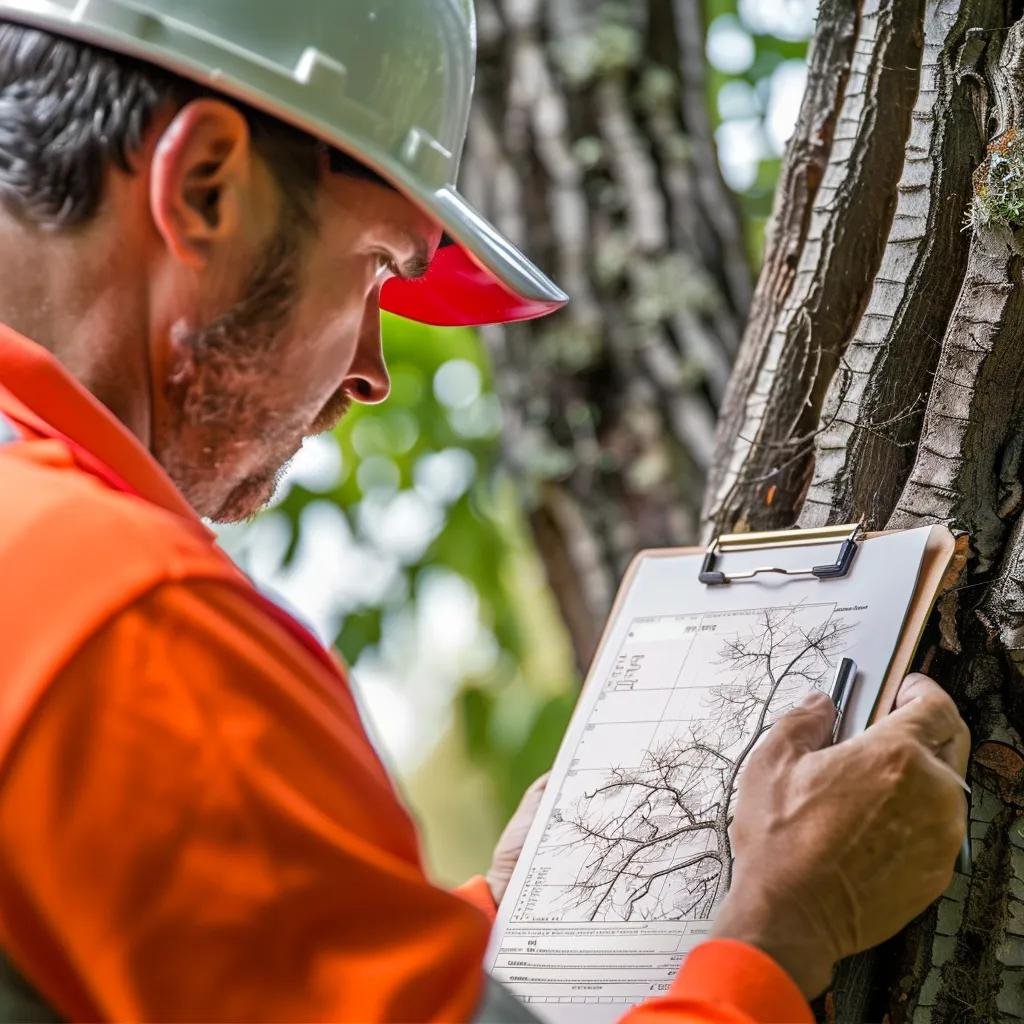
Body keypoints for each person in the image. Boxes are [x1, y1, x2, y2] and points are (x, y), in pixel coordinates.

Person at [0, 2, 969, 1022]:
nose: (369, 372)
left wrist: (489, 914)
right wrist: (777, 933)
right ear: (205, 188)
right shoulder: (128, 628)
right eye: (379, 267)